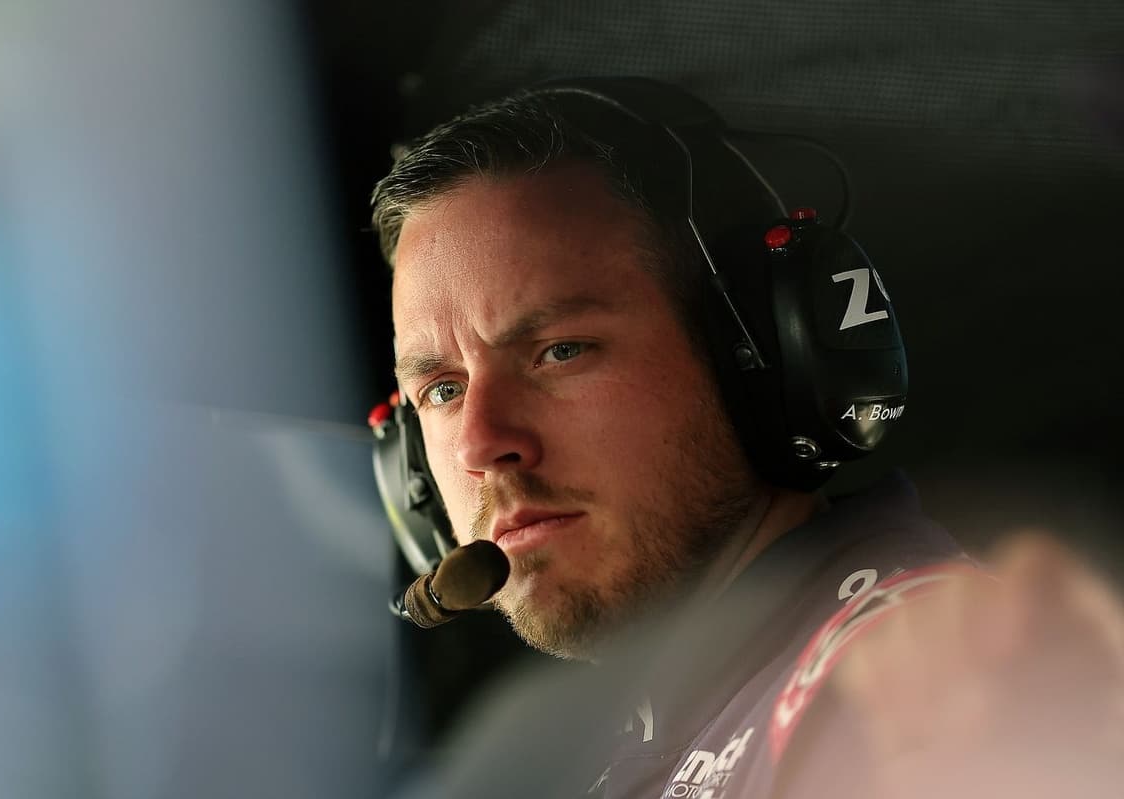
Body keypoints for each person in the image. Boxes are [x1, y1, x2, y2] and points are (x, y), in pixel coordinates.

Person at [370, 79, 1124, 798]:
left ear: (757, 354)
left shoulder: (914, 686)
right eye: (441, 389)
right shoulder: (587, 744)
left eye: (560, 350)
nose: (479, 443)